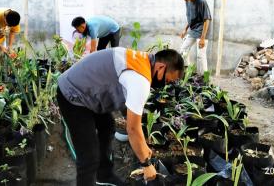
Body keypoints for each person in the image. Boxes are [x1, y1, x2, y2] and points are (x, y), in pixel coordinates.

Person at [57, 48, 184, 186]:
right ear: (161, 67)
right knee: (89, 156)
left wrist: (142, 142)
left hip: (88, 90)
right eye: (166, 80)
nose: (164, 84)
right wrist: (146, 164)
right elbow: (133, 129)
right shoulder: (141, 79)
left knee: (107, 126)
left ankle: (103, 174)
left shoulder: (142, 60)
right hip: (73, 94)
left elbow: (125, 97)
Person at [179, 0, 212, 73]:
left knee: (201, 56)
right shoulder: (187, 1)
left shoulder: (201, 1)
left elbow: (207, 19)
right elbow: (190, 17)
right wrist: (185, 30)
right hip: (192, 31)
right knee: (183, 50)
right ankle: (186, 72)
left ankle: (205, 79)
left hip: (202, 32)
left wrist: (202, 38)